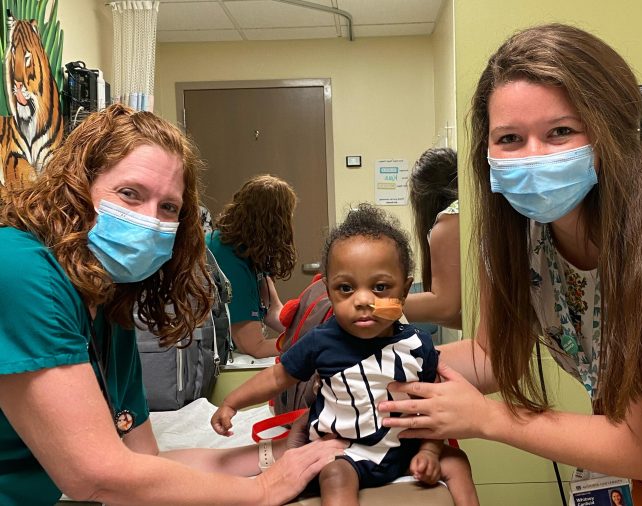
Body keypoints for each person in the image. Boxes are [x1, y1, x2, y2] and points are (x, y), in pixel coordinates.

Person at [380, 23, 642, 505]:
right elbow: (494, 357)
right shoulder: (517, 241)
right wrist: (370, 356)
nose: (533, 158)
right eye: (510, 138)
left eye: (561, 131)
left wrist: (488, 419)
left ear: (611, 132)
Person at [0, 104, 344, 506]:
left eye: (168, 208)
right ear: (77, 187)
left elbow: (142, 462)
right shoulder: (18, 268)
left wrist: (278, 454)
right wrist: (261, 491)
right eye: (130, 194)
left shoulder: (109, 306)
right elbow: (95, 476)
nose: (150, 222)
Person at [211, 204, 479, 506]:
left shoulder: (419, 345)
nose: (363, 300)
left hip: (405, 450)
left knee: (457, 461)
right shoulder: (321, 342)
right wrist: (232, 403)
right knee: (334, 475)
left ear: (404, 291)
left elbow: (432, 408)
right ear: (329, 290)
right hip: (344, 451)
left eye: (380, 287)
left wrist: (429, 452)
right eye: (346, 288)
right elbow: (276, 377)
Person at [207, 174, 297, 358]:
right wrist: (310, 345)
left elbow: (273, 310)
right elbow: (254, 347)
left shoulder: (248, 247)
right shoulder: (226, 256)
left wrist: (306, 329)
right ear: (274, 223)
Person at [403, 147, 462, 330]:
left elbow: (444, 307)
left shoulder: (450, 220)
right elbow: (459, 315)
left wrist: (373, 305)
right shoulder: (468, 212)